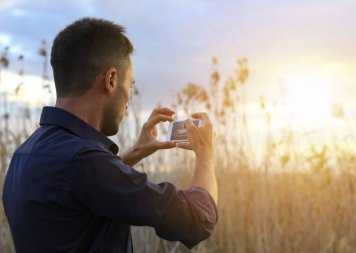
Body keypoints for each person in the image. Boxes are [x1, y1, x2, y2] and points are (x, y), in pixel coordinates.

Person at [2, 17, 218, 253]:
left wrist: (136, 151)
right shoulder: (85, 162)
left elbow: (81, 191)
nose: (128, 100)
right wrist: (206, 153)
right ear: (111, 80)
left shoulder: (24, 154)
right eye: (131, 85)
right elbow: (198, 219)